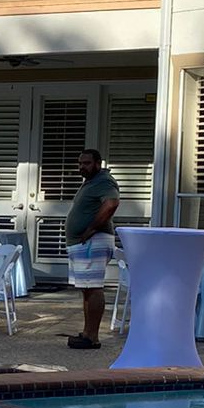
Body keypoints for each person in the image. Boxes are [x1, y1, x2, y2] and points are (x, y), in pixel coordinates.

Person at [65, 147, 120, 350]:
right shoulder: (90, 183)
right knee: (87, 288)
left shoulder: (104, 181)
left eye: (86, 163)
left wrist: (92, 228)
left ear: (98, 163)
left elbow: (112, 203)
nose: (82, 167)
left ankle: (93, 337)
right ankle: (87, 333)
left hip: (93, 242)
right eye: (80, 163)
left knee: (93, 287)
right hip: (84, 243)